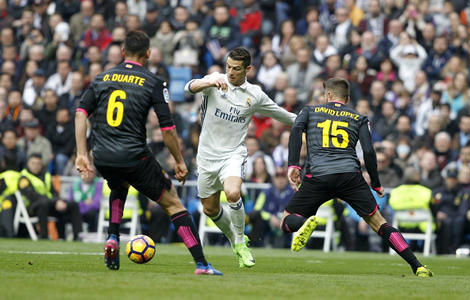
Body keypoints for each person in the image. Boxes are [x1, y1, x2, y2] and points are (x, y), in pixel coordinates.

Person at [75, 31, 222, 275]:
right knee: (173, 203)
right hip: (133, 155)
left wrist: (82, 153)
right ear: (148, 54)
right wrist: (179, 161)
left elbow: (81, 113)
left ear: (123, 53)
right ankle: (201, 264)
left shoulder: (101, 78)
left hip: (101, 155)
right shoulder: (153, 82)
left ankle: (112, 236)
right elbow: (167, 128)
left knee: (119, 184)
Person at [281, 78, 434, 277]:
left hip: (318, 175)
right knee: (380, 223)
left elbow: (295, 130)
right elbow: (369, 152)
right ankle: (418, 266)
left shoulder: (309, 111)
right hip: (350, 176)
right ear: (348, 98)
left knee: (286, 220)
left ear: (328, 95)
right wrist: (376, 183)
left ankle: (303, 224)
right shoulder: (359, 117)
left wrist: (293, 164)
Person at [184, 47, 296, 268]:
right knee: (210, 209)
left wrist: (313, 121)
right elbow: (189, 88)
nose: (230, 72)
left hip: (233, 154)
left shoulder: (254, 94)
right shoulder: (216, 80)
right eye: (228, 67)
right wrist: (209, 82)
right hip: (206, 157)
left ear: (248, 69)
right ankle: (236, 240)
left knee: (233, 193)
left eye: (236, 69)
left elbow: (281, 114)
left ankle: (239, 242)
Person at [19, 153, 83, 240]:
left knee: (72, 204)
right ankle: (44, 236)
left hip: (49, 204)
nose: (36, 166)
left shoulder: (46, 175)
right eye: (33, 163)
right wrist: (55, 202)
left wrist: (59, 202)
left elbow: (54, 193)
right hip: (32, 207)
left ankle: (76, 235)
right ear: (28, 164)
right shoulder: (23, 178)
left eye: (38, 164)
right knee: (43, 204)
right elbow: (33, 196)